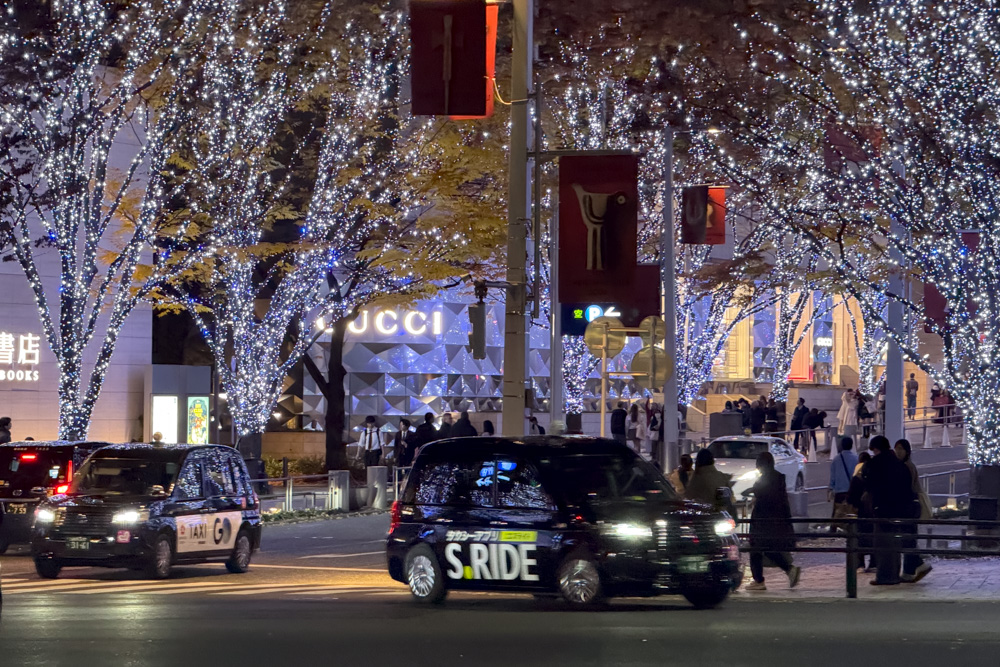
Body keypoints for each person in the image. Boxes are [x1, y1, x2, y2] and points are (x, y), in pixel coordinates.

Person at [744, 451, 801, 591]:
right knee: (766, 548)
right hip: (776, 521)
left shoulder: (766, 479)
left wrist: (751, 492)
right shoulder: (778, 478)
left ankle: (759, 580)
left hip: (763, 521)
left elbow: (761, 492)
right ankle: (788, 570)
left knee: (756, 548)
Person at [862, 435, 915, 585]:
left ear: (876, 449)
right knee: (895, 542)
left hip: (883, 508)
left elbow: (869, 483)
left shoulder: (875, 464)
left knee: (882, 543)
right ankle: (895, 574)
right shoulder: (899, 464)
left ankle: (885, 576)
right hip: (901, 509)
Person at [895, 439, 933, 583]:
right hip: (910, 507)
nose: (898, 452)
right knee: (908, 537)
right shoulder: (906, 465)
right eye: (896, 449)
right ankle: (908, 571)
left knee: (907, 538)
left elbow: (907, 489)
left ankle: (919, 564)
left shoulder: (907, 467)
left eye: (901, 449)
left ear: (907, 451)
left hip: (909, 507)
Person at [847, 451, 875, 571]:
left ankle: (860, 563)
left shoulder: (856, 478)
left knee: (859, 537)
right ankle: (873, 562)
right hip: (873, 513)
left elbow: (850, 497)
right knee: (873, 537)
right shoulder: (874, 476)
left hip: (860, 513)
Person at [685, 448, 735, 515]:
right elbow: (731, 498)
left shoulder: (697, 478)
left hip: (703, 515)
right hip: (722, 514)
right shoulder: (721, 476)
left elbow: (689, 496)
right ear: (712, 461)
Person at [828, 437, 859, 528]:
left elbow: (833, 477)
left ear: (841, 446)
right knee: (852, 514)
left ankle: (834, 533)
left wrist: (831, 488)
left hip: (839, 492)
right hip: (852, 491)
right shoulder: (856, 458)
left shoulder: (836, 459)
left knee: (837, 514)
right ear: (851, 445)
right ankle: (851, 531)